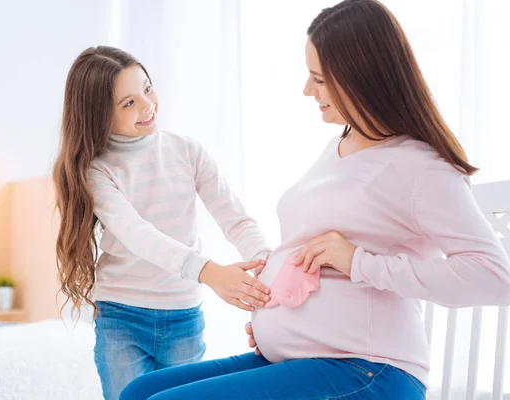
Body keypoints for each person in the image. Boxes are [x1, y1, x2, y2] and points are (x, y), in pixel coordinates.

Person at [119, 1, 510, 399]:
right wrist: (278, 317)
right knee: (138, 392)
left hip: (370, 369)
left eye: (319, 79)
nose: (308, 90)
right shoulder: (340, 145)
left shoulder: (420, 166)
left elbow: (496, 279)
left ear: (360, 77)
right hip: (310, 358)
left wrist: (359, 262)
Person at [51, 45, 273, 400]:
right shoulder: (98, 171)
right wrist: (212, 272)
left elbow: (234, 217)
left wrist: (268, 263)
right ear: (98, 115)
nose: (147, 105)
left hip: (183, 316)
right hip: (122, 319)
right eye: (128, 103)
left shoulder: (187, 151)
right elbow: (139, 236)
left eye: (148, 88)